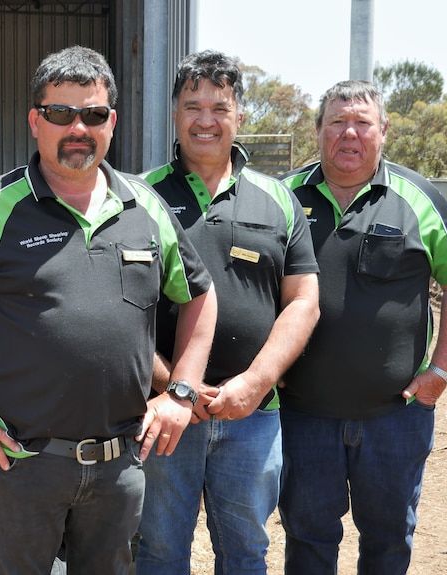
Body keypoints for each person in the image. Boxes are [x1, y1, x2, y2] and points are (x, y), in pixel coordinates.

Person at [0, 45, 218, 575]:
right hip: (22, 466)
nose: (77, 128)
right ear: (35, 121)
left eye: (92, 115)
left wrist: (180, 392)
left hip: (120, 465)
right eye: (60, 114)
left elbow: (201, 295)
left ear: (111, 122)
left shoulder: (146, 207)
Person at [134, 49, 321, 575]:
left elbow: (303, 302)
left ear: (240, 114)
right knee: (159, 553)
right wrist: (177, 388)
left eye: (219, 106)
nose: (206, 119)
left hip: (253, 419)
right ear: (174, 113)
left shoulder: (278, 200)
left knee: (245, 555)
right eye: (193, 106)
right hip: (164, 415)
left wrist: (257, 383)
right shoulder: (140, 197)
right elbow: (119, 308)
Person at [278, 79, 447, 574]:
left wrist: (442, 370)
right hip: (302, 416)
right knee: (308, 537)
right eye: (337, 122)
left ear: (383, 131)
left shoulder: (421, 199)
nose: (349, 134)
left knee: (388, 539)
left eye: (362, 122)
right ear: (318, 131)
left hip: (395, 416)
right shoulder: (283, 199)